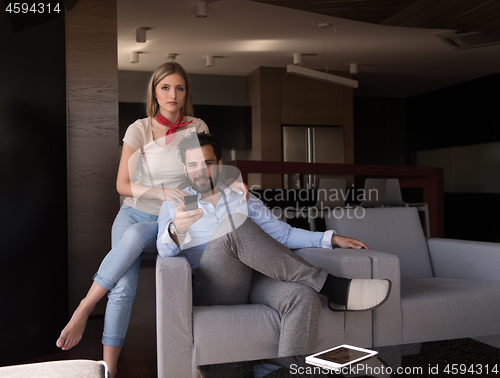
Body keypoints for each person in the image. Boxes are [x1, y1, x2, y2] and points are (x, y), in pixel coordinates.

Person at [56, 63, 247, 378]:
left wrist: (234, 182)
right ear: (155, 92)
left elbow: (207, 170)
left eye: (179, 88)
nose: (173, 95)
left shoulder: (197, 126)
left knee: (176, 262)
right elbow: (122, 185)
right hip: (134, 211)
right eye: (165, 88)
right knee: (123, 288)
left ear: (186, 93)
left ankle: (87, 305)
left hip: (173, 219)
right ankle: (108, 368)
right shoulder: (139, 128)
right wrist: (161, 191)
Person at [157, 132, 391, 357]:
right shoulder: (175, 203)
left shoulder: (240, 196)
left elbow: (283, 235)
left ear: (219, 165)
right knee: (235, 224)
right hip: (212, 285)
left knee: (303, 297)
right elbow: (164, 250)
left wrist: (329, 238)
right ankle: (330, 285)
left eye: (207, 163)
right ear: (186, 170)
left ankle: (286, 372)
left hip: (253, 280)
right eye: (193, 165)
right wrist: (177, 228)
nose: (200, 171)